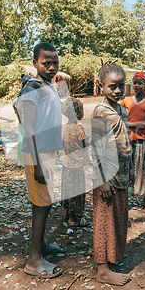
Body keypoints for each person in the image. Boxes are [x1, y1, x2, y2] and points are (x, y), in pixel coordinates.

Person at [17, 42, 65, 278]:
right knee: (42, 204)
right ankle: (34, 261)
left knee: (43, 202)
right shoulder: (32, 88)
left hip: (47, 153)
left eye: (55, 62)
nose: (52, 66)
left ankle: (42, 245)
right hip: (38, 155)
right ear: (35, 63)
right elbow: (28, 126)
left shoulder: (47, 86)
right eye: (46, 63)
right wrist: (36, 164)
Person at [91, 62, 134, 286]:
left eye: (121, 86)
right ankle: (102, 269)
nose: (117, 90)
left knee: (118, 218)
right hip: (106, 178)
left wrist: (132, 170)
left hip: (122, 175)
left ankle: (113, 257)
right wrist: (101, 181)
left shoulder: (122, 109)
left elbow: (126, 142)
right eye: (112, 86)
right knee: (103, 221)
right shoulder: (100, 111)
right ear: (101, 86)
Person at [120, 72, 145, 210]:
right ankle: (125, 199)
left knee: (144, 168)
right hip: (126, 140)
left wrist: (125, 124)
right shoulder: (126, 101)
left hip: (141, 141)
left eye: (139, 83)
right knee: (126, 169)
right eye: (134, 82)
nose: (136, 85)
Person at [61, 97, 89, 227]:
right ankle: (73, 219)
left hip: (66, 164)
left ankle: (67, 214)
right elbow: (83, 144)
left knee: (68, 189)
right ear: (77, 113)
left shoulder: (65, 128)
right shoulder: (79, 129)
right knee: (76, 191)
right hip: (77, 164)